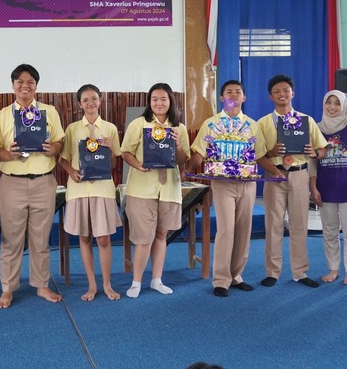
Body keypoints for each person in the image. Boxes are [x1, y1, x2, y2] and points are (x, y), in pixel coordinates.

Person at [190, 80, 277, 297]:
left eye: (238, 92)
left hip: (247, 183)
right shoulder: (211, 123)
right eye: (229, 92)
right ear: (222, 98)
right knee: (226, 230)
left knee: (243, 230)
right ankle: (221, 280)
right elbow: (199, 152)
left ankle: (236, 276)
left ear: (244, 98)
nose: (234, 95)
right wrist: (189, 167)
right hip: (222, 183)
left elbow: (259, 155)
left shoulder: (252, 125)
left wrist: (276, 172)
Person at [0, 64, 65, 309]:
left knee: (41, 239)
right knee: (11, 239)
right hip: (12, 182)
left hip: (43, 181)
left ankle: (41, 285)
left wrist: (53, 149)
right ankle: (7, 289)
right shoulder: (1, 116)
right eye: (20, 82)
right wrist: (7, 153)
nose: (25, 86)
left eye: (30, 82)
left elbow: (60, 142)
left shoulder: (49, 112)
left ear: (36, 86)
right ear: (13, 85)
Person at [120, 82, 190, 298]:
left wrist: (178, 144)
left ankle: (156, 280)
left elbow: (183, 160)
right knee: (143, 238)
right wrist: (138, 165)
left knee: (161, 235)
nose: (159, 103)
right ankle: (136, 282)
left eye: (163, 99)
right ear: (149, 102)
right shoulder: (138, 124)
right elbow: (125, 152)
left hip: (168, 189)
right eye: (155, 99)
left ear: (171, 102)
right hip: (141, 189)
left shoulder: (179, 128)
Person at [257, 74, 327, 288]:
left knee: (299, 224)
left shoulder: (306, 121)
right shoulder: (263, 123)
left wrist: (314, 152)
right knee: (273, 224)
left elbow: (323, 150)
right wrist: (272, 153)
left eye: (285, 90)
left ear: (292, 93)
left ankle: (300, 272)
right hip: (274, 175)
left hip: (299, 174)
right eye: (276, 91)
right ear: (270, 96)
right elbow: (258, 155)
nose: (282, 94)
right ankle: (272, 272)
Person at [58, 84, 122, 301]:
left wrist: (111, 148)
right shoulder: (72, 129)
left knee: (103, 239)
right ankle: (92, 285)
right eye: (85, 100)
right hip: (79, 189)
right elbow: (63, 160)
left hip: (102, 189)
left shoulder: (110, 128)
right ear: (79, 104)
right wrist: (72, 172)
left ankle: (107, 284)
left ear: (100, 100)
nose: (90, 103)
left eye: (94, 98)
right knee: (84, 237)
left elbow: (113, 164)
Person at [308, 90, 347, 285]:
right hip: (325, 187)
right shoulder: (316, 128)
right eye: (329, 102)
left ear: (343, 106)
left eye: (337, 103)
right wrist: (313, 187)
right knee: (329, 232)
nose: (332, 107)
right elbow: (311, 161)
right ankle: (333, 269)